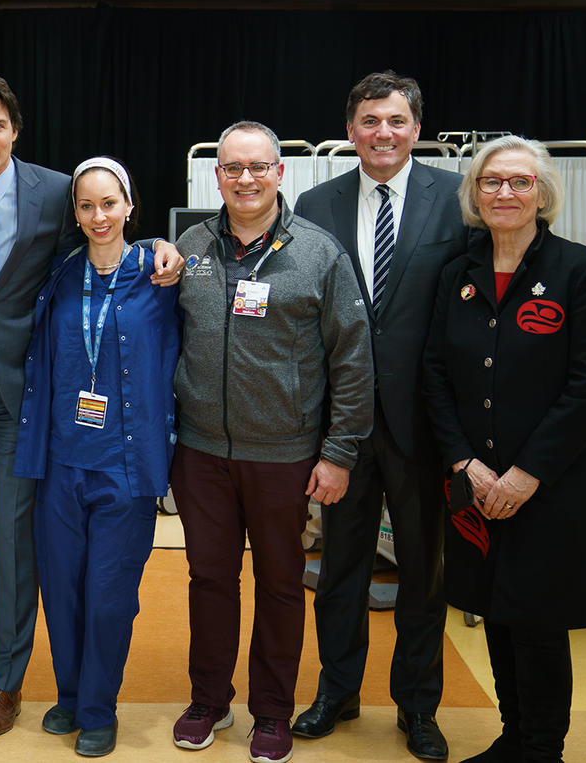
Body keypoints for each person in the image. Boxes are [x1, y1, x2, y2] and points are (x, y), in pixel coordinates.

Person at [0, 74, 180, 737]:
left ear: (16, 130)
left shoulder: (58, 190)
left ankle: (6, 681)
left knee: (17, 543)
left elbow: (108, 240)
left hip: (28, 397)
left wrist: (161, 250)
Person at [169, 121, 373, 763]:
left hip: (285, 456)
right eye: (233, 168)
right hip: (201, 454)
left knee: (281, 585)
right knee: (208, 580)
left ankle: (273, 712)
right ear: (217, 175)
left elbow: (353, 360)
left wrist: (339, 452)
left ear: (280, 173)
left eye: (259, 167)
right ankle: (208, 701)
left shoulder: (318, 253)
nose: (246, 179)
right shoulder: (190, 247)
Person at [422, 136, 586, 763]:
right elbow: (434, 373)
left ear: (542, 193)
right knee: (494, 610)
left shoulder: (580, 271)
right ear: (475, 194)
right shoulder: (459, 272)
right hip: (475, 483)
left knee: (537, 622)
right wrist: (464, 463)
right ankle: (512, 737)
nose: (504, 193)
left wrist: (525, 475)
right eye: (492, 182)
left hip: (548, 487)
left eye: (519, 182)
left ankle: (542, 749)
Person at [292, 71, 467, 760]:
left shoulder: (456, 200)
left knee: (424, 571)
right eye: (369, 120)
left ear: (416, 128)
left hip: (425, 424)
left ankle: (418, 706)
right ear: (351, 128)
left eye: (395, 120)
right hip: (342, 425)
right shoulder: (315, 202)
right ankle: (337, 691)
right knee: (340, 567)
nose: (383, 133)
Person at [14, 158, 180, 757]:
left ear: (130, 205)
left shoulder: (161, 273)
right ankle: (69, 695)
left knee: (109, 593)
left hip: (126, 467)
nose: (99, 216)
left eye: (110, 203)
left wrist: (169, 246)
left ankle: (99, 708)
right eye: (87, 205)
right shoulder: (60, 274)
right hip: (60, 460)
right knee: (61, 588)